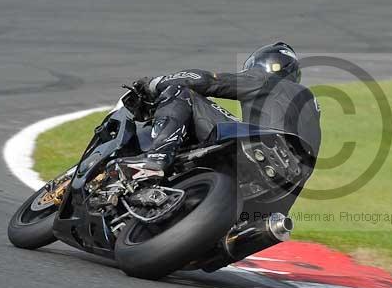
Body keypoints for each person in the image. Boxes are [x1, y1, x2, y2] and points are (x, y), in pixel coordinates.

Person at [121, 42, 321, 214]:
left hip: (265, 155)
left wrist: (156, 84)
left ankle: (158, 155)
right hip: (276, 204)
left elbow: (207, 81)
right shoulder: (309, 112)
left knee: (183, 93)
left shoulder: (267, 80)